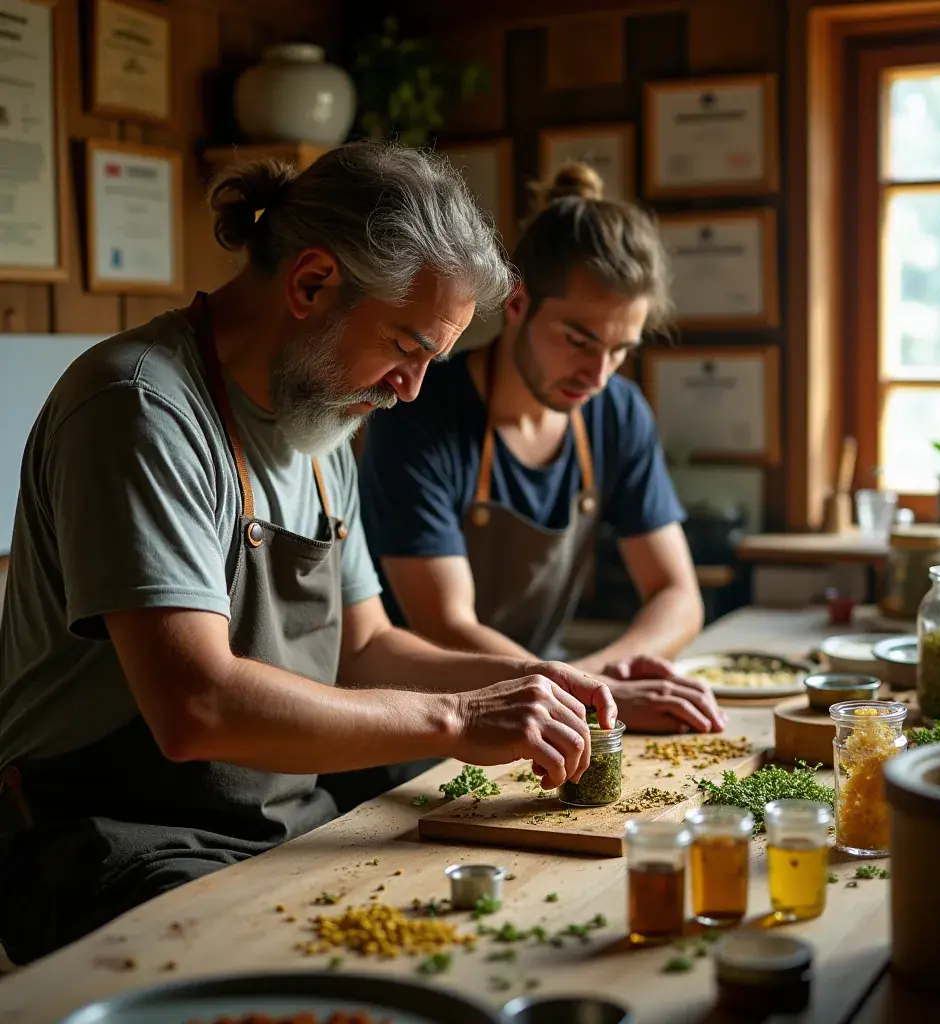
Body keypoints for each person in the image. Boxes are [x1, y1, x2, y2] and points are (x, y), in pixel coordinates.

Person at [0, 143, 617, 965]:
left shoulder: (320, 418)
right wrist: (461, 717)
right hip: (114, 842)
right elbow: (196, 707)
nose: (412, 389)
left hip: (275, 821)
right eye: (408, 344)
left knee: (492, 933)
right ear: (312, 283)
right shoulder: (140, 409)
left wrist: (528, 683)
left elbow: (364, 649)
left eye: (433, 359)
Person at [360, 163, 723, 737]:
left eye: (620, 349)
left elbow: (678, 593)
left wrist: (592, 686)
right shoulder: (420, 414)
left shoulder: (616, 412)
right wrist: (592, 695)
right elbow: (443, 624)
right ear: (517, 302)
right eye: (579, 340)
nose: (598, 374)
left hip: (552, 711)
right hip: (421, 722)